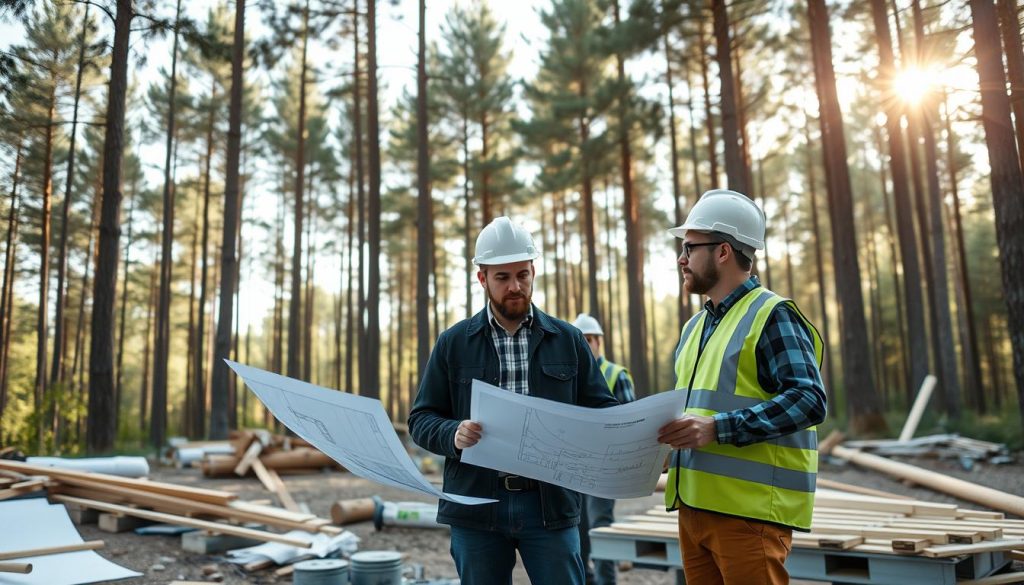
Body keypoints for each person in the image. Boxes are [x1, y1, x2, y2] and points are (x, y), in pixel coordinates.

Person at [408, 216, 619, 585]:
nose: (515, 286)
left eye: (522, 275)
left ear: (534, 271)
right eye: (502, 277)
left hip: (551, 504)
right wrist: (452, 433)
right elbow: (421, 419)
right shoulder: (453, 343)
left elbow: (603, 409)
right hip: (475, 506)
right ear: (483, 278)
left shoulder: (568, 340)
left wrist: (630, 426)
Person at [656, 189, 827, 585]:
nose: (681, 258)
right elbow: (694, 412)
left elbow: (809, 399)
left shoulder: (772, 315)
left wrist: (717, 428)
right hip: (694, 509)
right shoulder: (694, 327)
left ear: (723, 252)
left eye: (689, 247)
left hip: (749, 517)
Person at [571, 313, 635, 585]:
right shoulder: (568, 375)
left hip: (604, 468)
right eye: (580, 341)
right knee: (576, 528)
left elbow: (631, 421)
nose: (585, 346)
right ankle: (585, 579)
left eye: (588, 340)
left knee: (601, 527)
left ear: (598, 342)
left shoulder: (615, 374)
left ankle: (607, 581)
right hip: (573, 466)